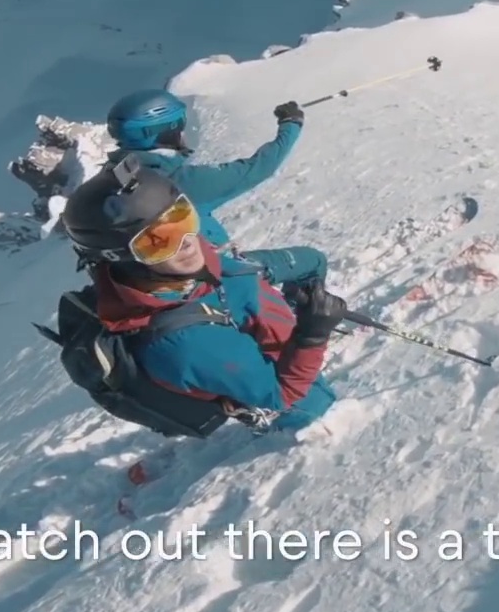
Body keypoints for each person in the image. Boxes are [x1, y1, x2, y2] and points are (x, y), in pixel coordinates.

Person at [58, 154, 351, 433]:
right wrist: (311, 336)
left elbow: (214, 268)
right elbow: (280, 394)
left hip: (234, 287)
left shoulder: (178, 270)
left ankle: (301, 319)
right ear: (123, 259)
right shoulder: (186, 345)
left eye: (182, 217)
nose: (187, 242)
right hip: (289, 385)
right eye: (157, 241)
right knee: (318, 407)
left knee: (311, 261)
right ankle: (304, 426)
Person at [103, 88, 329, 292]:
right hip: (212, 276)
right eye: (180, 124)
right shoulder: (179, 183)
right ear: (166, 131)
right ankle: (298, 319)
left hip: (151, 279)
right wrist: (291, 124)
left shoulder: (112, 178)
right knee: (314, 260)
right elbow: (258, 168)